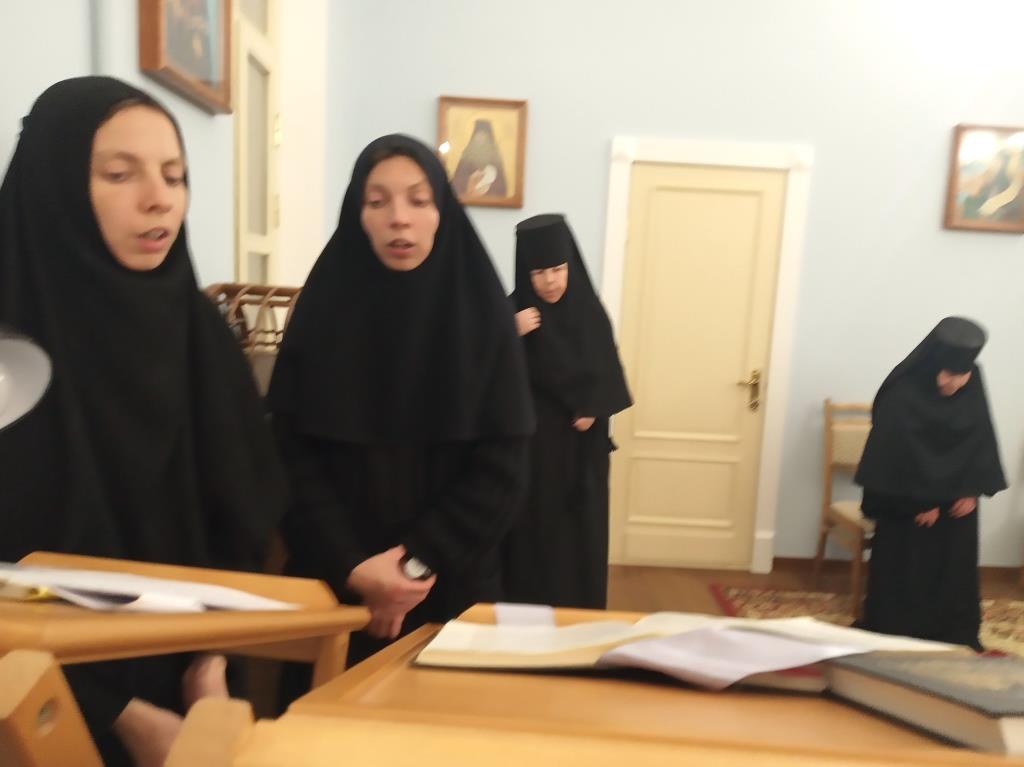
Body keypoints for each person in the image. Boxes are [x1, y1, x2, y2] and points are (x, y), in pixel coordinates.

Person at [0, 76, 285, 767]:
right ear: (55, 187)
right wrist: (116, 713)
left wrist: (211, 662)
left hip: (193, 686)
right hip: (34, 695)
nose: (159, 198)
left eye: (174, 175)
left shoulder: (201, 338)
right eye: (119, 173)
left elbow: (244, 516)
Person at [267, 134, 534, 676]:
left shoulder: (483, 318)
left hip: (451, 587)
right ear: (357, 214)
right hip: (336, 590)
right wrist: (354, 568)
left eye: (418, 199)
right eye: (377, 201)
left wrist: (412, 566)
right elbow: (289, 458)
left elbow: (503, 468)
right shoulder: (322, 313)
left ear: (442, 212)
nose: (399, 218)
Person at [503, 214, 632, 608]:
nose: (551, 281)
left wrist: (594, 407)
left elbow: (607, 371)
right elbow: (482, 374)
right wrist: (509, 333)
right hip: (532, 449)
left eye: (558, 269)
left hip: (581, 451)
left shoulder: (590, 312)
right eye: (539, 272)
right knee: (531, 531)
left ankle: (580, 613)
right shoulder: (510, 312)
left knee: (580, 531)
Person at [855, 316, 1006, 650]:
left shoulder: (972, 381)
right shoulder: (902, 391)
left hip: (956, 501)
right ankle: (898, 630)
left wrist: (972, 490)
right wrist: (916, 503)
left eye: (962, 375)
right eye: (949, 374)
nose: (956, 383)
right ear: (934, 364)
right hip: (905, 503)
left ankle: (950, 631)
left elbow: (980, 437)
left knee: (954, 563)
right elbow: (890, 454)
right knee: (907, 562)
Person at [451, 119, 509, 198]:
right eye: (478, 137)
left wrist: (486, 185)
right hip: (468, 199)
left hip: (490, 201)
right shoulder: (466, 156)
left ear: (489, 140)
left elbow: (502, 187)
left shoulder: (495, 159)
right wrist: (471, 180)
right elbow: (456, 183)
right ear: (473, 138)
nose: (481, 140)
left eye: (484, 137)